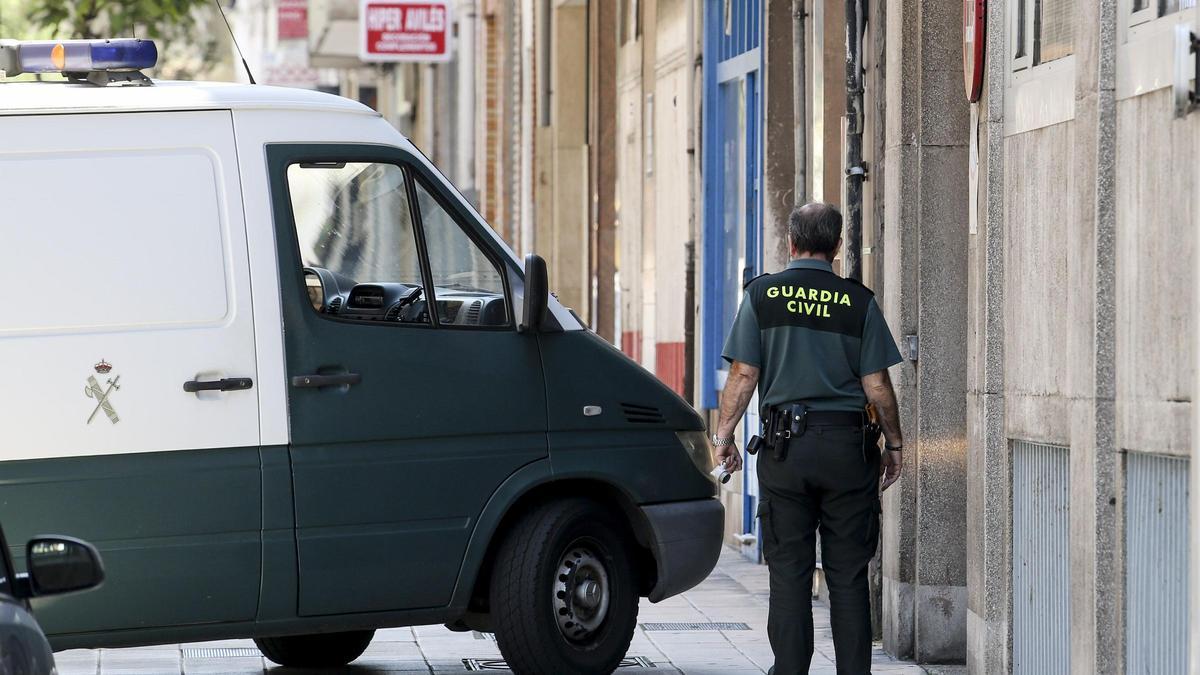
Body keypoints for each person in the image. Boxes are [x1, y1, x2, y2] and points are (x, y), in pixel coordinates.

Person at [712, 202, 905, 675]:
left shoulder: (762, 296)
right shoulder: (858, 302)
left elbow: (743, 373)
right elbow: (877, 384)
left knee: (790, 577)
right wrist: (896, 445)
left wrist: (724, 435)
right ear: (837, 247)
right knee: (847, 577)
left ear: (791, 243)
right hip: (847, 450)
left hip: (786, 452)